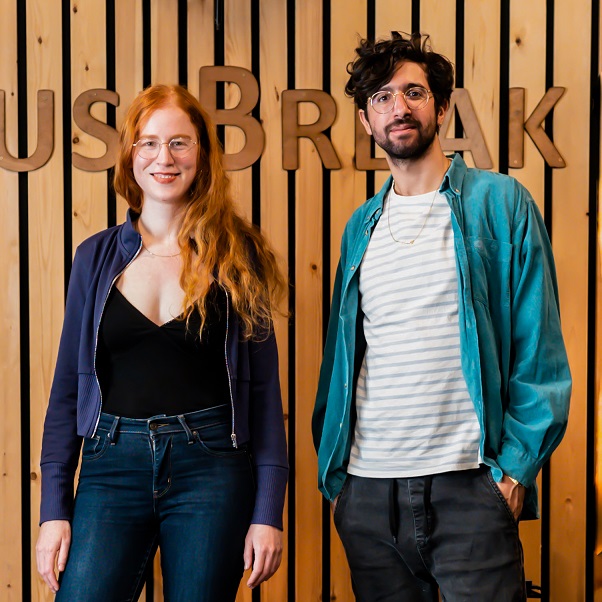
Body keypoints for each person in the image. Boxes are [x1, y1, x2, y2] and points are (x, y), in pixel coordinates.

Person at [313, 32, 571, 601]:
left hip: (470, 488)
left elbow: (539, 350)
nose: (398, 108)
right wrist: (340, 484)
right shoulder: (361, 227)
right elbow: (342, 358)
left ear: (442, 107)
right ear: (365, 120)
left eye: (413, 92)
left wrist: (512, 476)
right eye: (381, 98)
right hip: (368, 493)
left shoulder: (500, 204)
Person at [35, 84, 288, 601]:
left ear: (202, 154)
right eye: (148, 143)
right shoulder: (94, 257)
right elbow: (66, 389)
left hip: (213, 468)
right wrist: (54, 509)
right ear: (130, 157)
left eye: (179, 143)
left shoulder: (241, 257)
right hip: (111, 463)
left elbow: (264, 397)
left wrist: (268, 514)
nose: (163, 158)